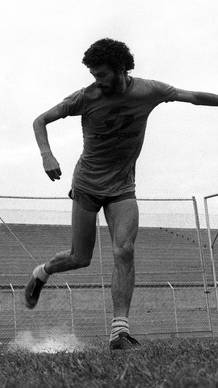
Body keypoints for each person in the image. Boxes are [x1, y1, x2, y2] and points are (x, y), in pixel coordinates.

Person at [26, 38, 218, 351]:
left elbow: (194, 97)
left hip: (122, 188)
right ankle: (42, 272)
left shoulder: (150, 91)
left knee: (124, 249)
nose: (97, 81)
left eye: (102, 74)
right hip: (87, 185)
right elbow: (40, 120)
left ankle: (119, 332)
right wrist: (47, 154)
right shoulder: (85, 97)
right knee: (79, 258)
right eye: (93, 75)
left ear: (121, 69)